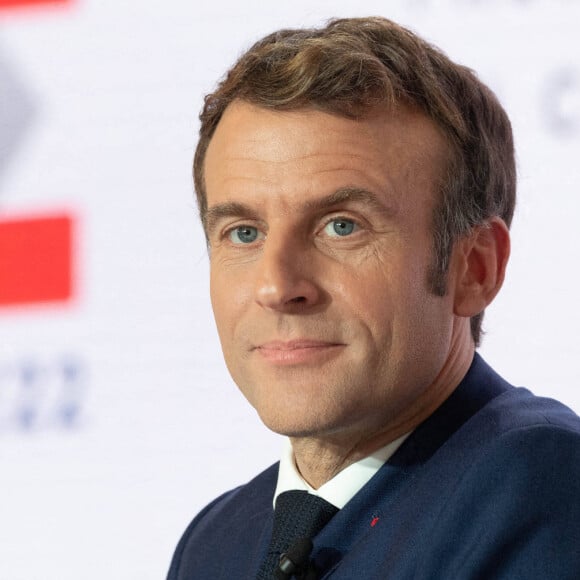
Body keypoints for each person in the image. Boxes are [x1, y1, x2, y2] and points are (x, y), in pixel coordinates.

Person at [167, 16, 580, 579]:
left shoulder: (543, 486)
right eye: (244, 232)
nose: (277, 286)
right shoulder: (216, 545)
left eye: (341, 226)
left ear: (474, 268)